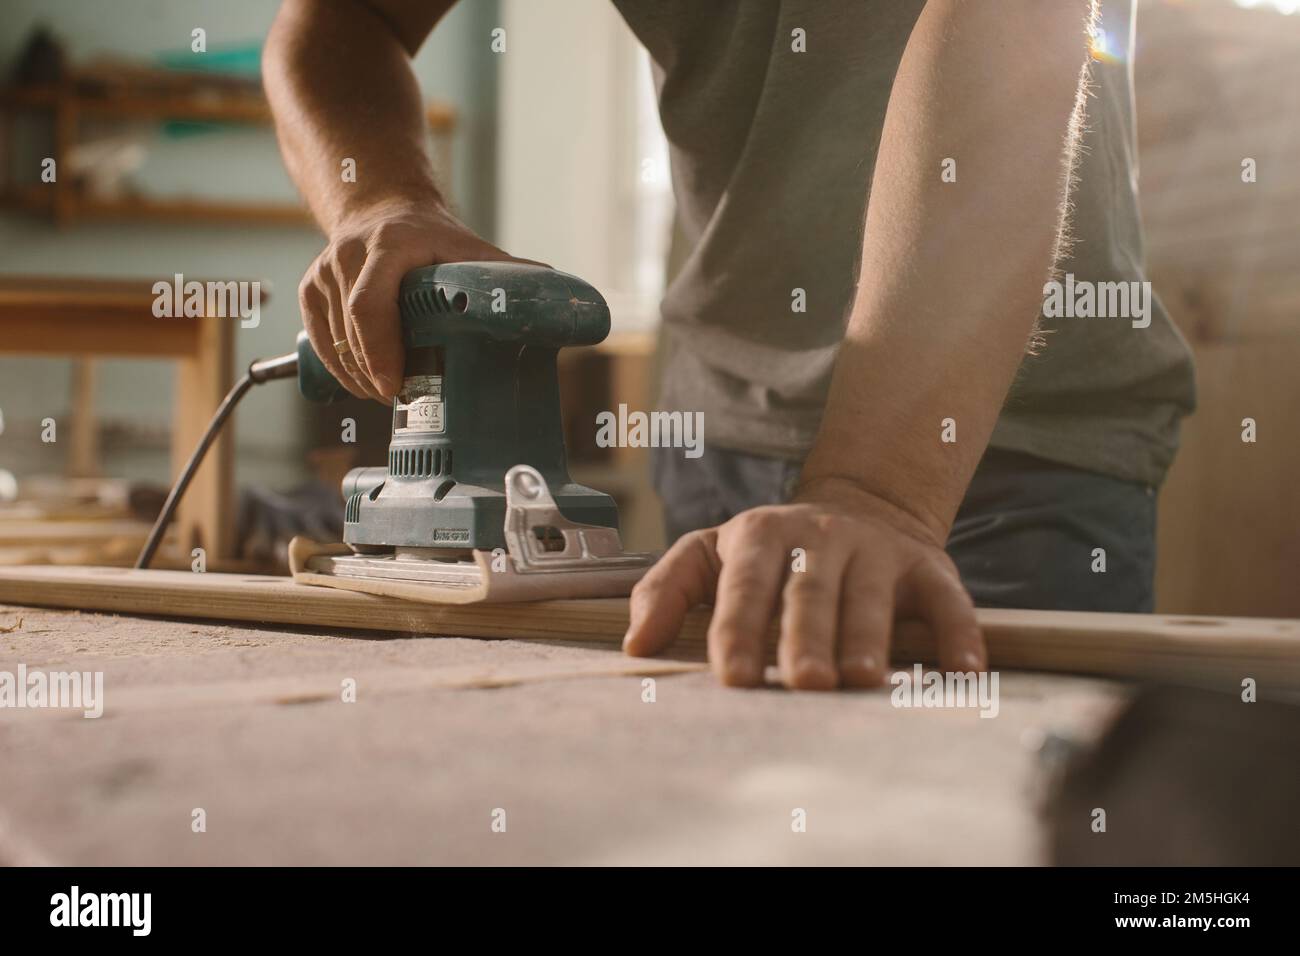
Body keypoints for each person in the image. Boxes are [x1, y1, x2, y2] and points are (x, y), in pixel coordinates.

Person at [264, 0, 1196, 690]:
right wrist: (383, 199)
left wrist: (878, 495)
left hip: (998, 442)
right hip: (722, 439)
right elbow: (339, 25)